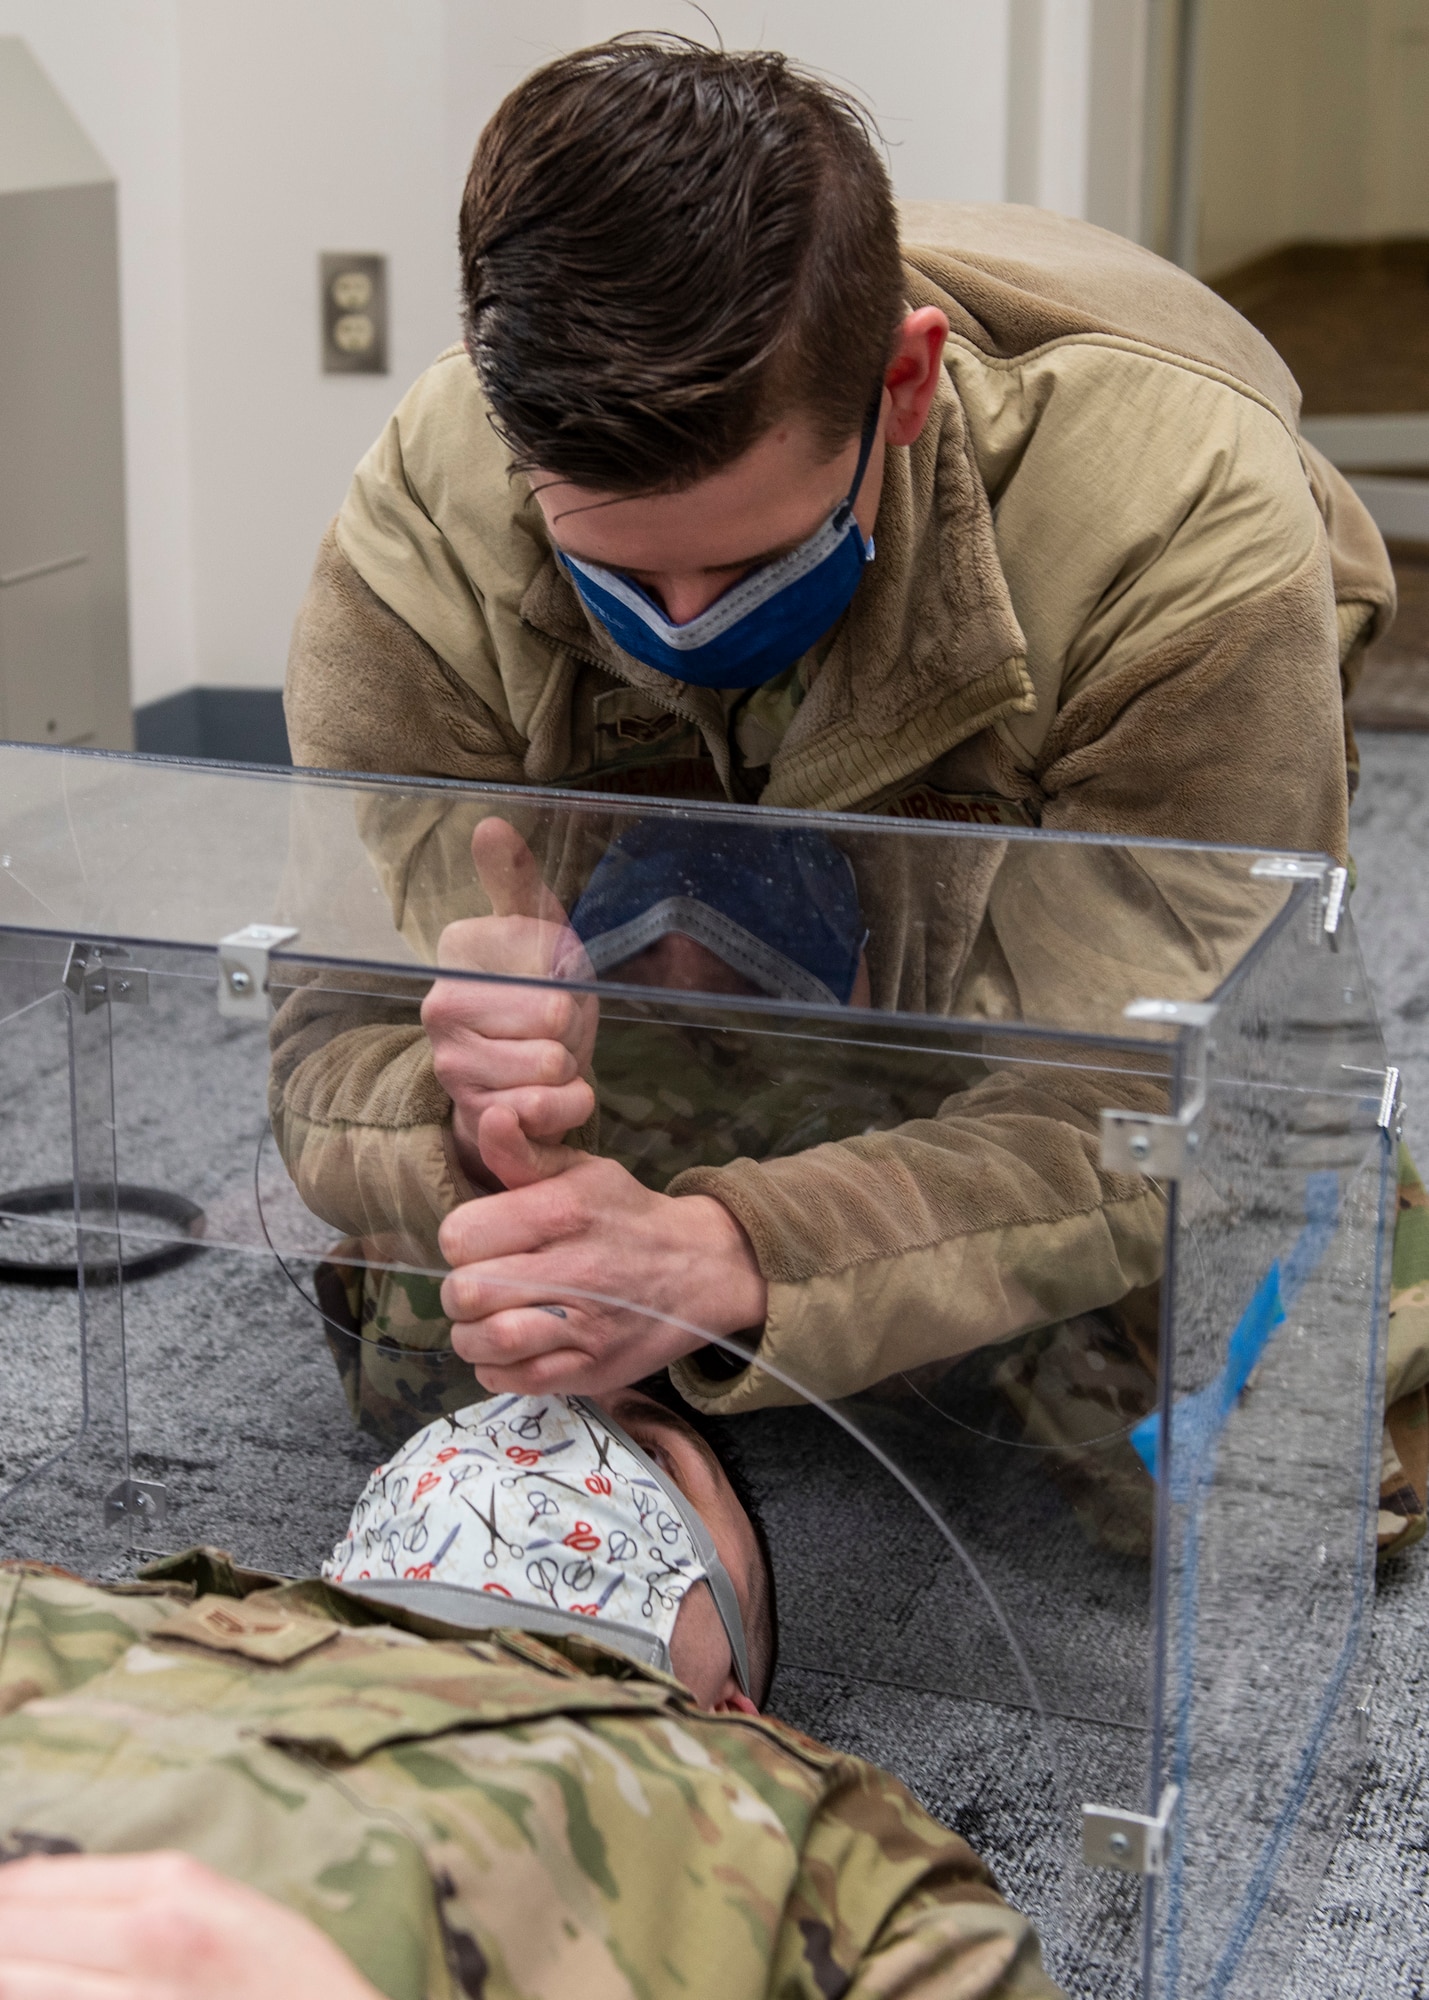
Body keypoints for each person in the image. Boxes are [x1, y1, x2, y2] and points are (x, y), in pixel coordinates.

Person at [278, 39, 1424, 1549]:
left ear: (903, 382)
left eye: (750, 562)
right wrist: (461, 1107)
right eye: (615, 571)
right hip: (684, 1022)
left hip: (1027, 1035)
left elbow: (1148, 1094)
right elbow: (313, 1048)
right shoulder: (428, 524)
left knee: (1223, 1475)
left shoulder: (1185, 534)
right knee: (446, 1349)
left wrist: (738, 1251)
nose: (684, 619)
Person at [0, 1389, 1063, 1999]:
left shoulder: (810, 1840)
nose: (533, 1428)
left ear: (739, 1714)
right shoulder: (59, 1610)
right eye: (500, 1409)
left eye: (641, 1449)